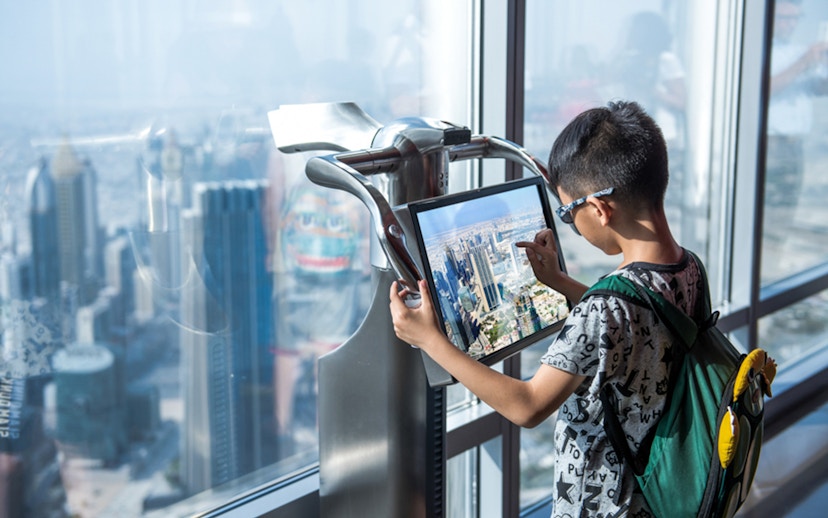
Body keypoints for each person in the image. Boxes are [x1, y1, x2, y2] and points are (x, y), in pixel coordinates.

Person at [389, 100, 704, 516]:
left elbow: (527, 406)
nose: (570, 225)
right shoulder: (688, 267)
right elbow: (634, 327)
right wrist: (561, 283)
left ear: (600, 209)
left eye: (569, 213)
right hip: (664, 497)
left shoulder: (604, 308)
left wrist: (430, 339)